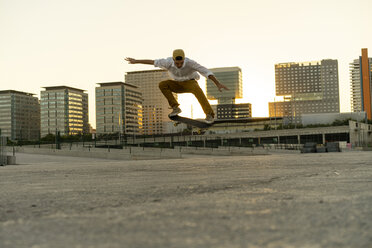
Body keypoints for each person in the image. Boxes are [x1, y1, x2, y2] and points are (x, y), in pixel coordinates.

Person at [125, 49, 228, 124]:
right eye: (177, 63)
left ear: (184, 60)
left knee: (197, 90)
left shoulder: (191, 63)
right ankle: (175, 107)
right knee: (163, 84)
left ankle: (209, 114)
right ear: (173, 60)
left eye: (181, 63)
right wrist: (136, 61)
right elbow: (152, 62)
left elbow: (205, 71)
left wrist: (217, 83)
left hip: (190, 83)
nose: (179, 65)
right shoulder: (167, 62)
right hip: (177, 84)